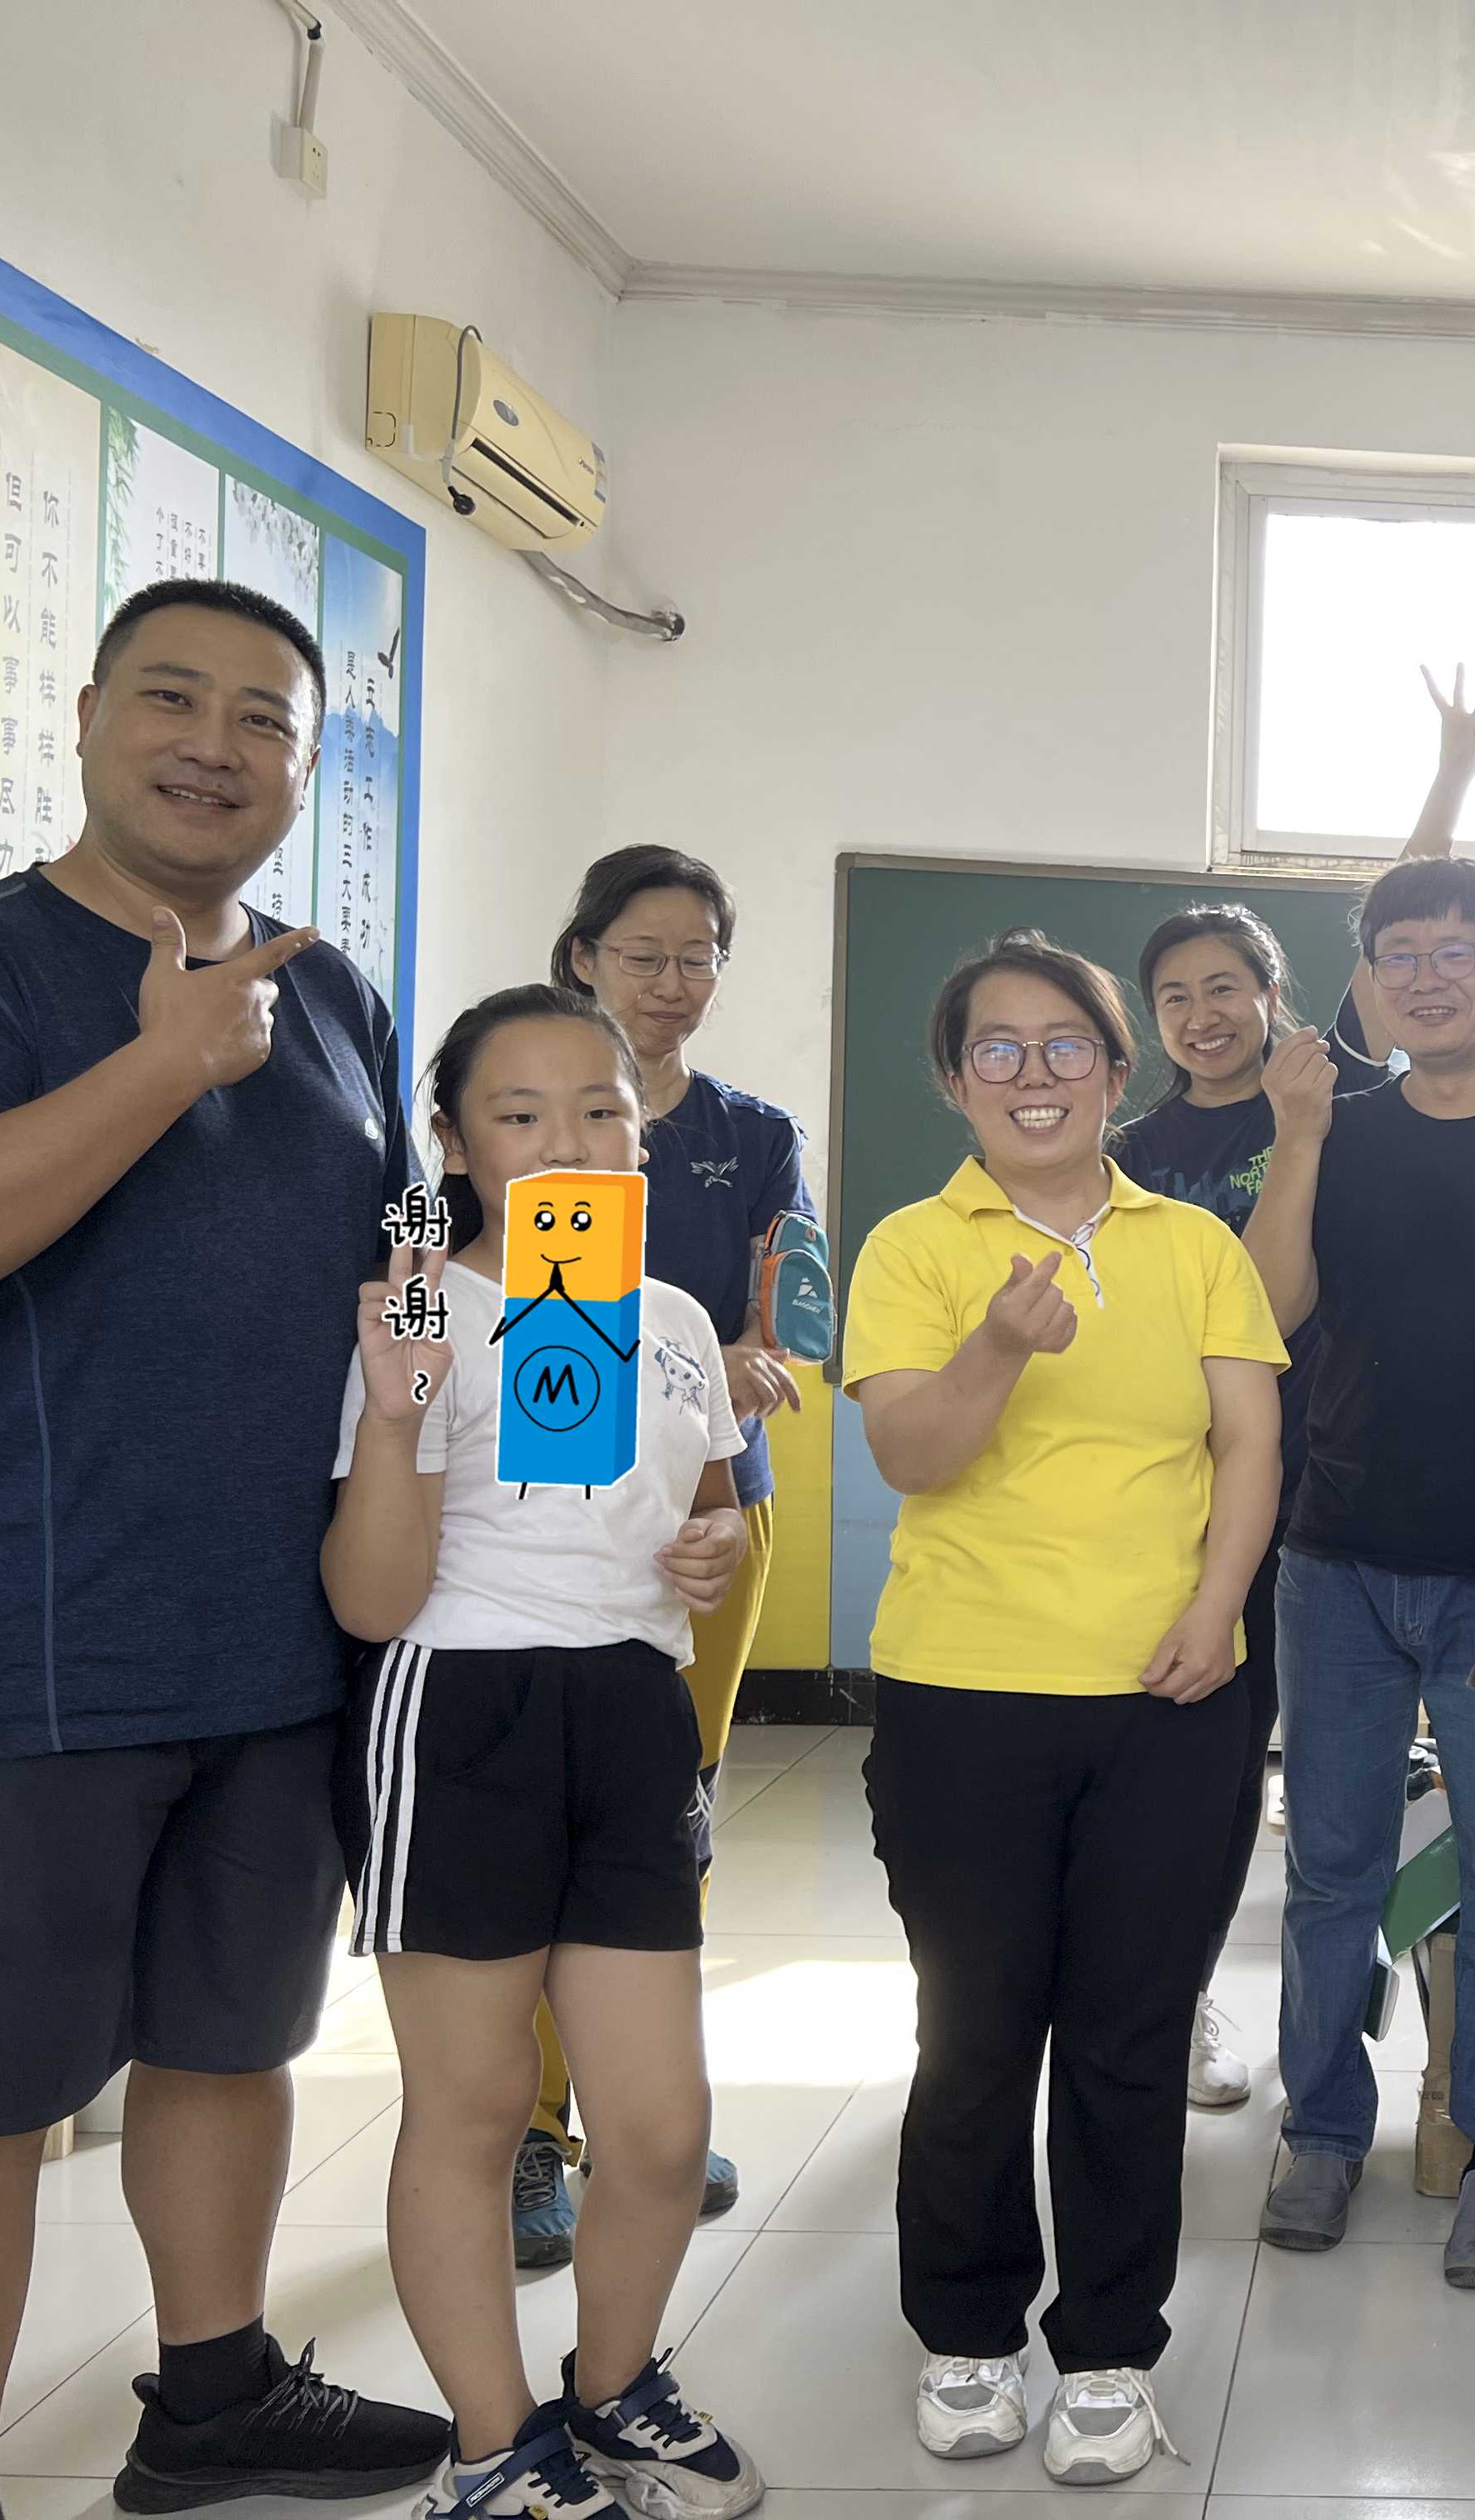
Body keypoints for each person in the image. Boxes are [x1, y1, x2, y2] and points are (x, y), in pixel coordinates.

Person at [0, 582, 447, 2520]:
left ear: (304, 767)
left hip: (277, 1642)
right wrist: (165, 1061)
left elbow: (402, 1277)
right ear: (92, 714)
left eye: (264, 718)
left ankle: (212, 2398)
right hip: (24, 1650)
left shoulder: (334, 996)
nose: (215, 745)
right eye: (174, 700)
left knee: (229, 2049)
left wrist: (610, 1453)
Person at [842, 933, 1284, 2486]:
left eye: (1066, 1046)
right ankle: (966, 2331)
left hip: (1170, 1698)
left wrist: (1217, 1611)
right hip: (963, 1693)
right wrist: (998, 1345)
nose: (1034, 1076)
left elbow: (1248, 1444)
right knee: (973, 2034)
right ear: (955, 1081)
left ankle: (1107, 2350)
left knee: (1127, 2038)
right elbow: (912, 1453)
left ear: (1114, 1069)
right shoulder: (914, 1246)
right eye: (998, 1050)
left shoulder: (1195, 1243)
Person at [324, 987, 761, 2520]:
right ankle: (494, 2443)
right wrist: (398, 1419)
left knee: (661, 2126)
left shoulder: (675, 1316)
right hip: (459, 1709)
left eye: (601, 1110)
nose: (568, 1139)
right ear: (454, 1141)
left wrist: (713, 1548)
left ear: (642, 1134)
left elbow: (705, 1507)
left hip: (631, 1714)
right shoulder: (423, 1306)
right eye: (520, 1114)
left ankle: (615, 2386)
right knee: (472, 2103)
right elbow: (369, 1601)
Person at [1111, 665, 1475, 2110]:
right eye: (1174, 998)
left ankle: (1293, 2023)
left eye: (1226, 987)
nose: (1202, 1013)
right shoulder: (1133, 1155)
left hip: (1324, 1499)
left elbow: (1406, 922)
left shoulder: (1326, 1094)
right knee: (1182, 1766)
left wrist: (1448, 776)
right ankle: (1177, 2003)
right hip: (1175, 1494)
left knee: (1291, 1786)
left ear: (1275, 998)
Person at [1239, 859, 1475, 2287]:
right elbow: (1268, 1309)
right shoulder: (1334, 1127)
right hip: (1334, 1555)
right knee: (1330, 1872)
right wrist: (1298, 1135)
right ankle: (1324, 2130)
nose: (1430, 975)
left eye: (1461, 951)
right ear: (1372, 980)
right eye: (1401, 952)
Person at [498, 847, 816, 2267]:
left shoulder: (756, 1134)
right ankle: (525, 2129)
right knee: (535, 1828)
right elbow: (412, 1265)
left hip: (710, 1507)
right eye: (643, 955)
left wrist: (750, 1358)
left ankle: (646, 2115)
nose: (673, 982)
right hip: (529, 1522)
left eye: (698, 958)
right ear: (583, 957)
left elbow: (789, 1309)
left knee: (668, 1817)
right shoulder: (498, 1099)